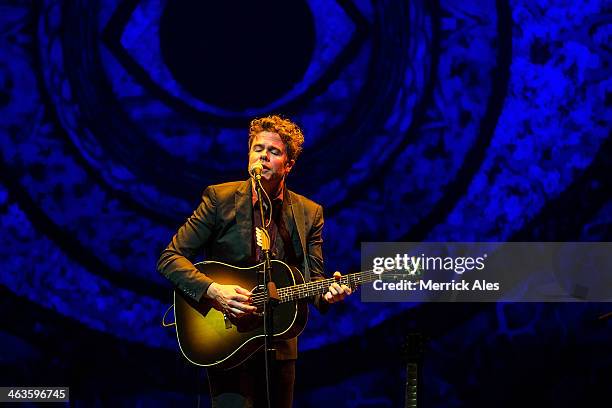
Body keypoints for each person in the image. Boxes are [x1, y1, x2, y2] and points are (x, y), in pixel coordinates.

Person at [157, 115, 352, 407]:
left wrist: (328, 293)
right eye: (257, 149)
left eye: (273, 152)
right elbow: (170, 258)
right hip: (226, 336)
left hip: (280, 343)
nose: (263, 156)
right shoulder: (219, 199)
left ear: (288, 165)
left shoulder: (309, 213)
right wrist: (214, 291)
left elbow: (313, 280)